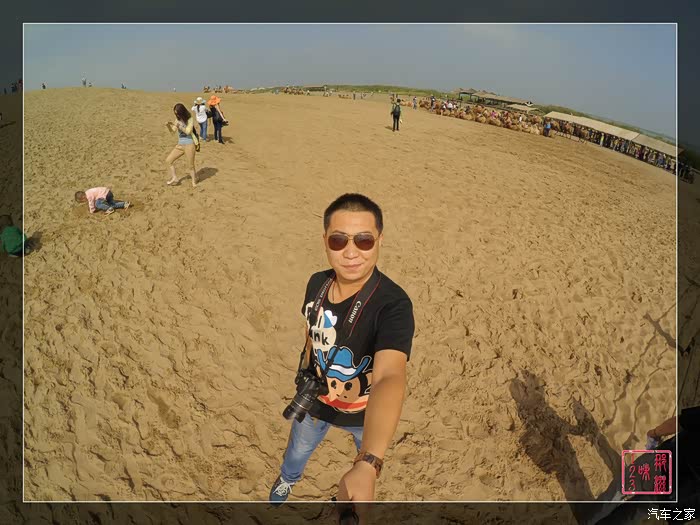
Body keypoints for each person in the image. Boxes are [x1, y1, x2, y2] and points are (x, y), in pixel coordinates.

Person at [269, 193, 415, 507]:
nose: (350, 252)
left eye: (364, 240)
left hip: (364, 414)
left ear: (379, 240)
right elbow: (310, 331)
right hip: (316, 403)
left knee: (364, 463)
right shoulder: (316, 283)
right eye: (338, 240)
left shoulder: (394, 305)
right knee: (297, 451)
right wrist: (306, 372)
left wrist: (369, 461)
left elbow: (390, 376)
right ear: (325, 241)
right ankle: (288, 479)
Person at [165, 103, 199, 187]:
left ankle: (194, 182)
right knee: (168, 160)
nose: (177, 115)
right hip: (180, 145)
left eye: (178, 113)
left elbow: (188, 131)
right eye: (175, 114)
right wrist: (168, 126)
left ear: (182, 112)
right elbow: (172, 132)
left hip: (189, 144)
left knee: (191, 165)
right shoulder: (177, 120)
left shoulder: (189, 119)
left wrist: (179, 126)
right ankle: (174, 178)